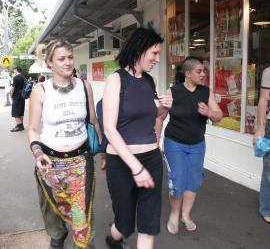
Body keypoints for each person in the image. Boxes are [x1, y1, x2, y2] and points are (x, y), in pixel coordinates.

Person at [28, 39, 102, 249]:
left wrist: (104, 152)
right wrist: (37, 153)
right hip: (49, 163)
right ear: (50, 62)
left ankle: (83, 244)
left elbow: (93, 121)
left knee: (83, 212)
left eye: (70, 57)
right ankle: (57, 238)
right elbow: (33, 128)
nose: (68, 62)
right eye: (62, 58)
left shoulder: (84, 86)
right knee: (51, 209)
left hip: (81, 163)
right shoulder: (40, 90)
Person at [103, 27, 172, 249]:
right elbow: (109, 129)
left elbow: (153, 119)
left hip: (151, 159)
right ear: (139, 49)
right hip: (122, 162)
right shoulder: (116, 80)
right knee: (124, 224)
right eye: (154, 53)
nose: (157, 59)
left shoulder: (149, 82)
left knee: (149, 222)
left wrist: (165, 108)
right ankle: (113, 239)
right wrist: (136, 167)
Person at [156, 56, 223, 234]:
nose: (203, 74)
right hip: (174, 143)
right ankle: (174, 214)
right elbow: (160, 116)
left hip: (197, 145)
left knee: (193, 180)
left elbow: (218, 115)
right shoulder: (173, 92)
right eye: (199, 71)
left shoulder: (205, 92)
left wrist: (208, 112)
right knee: (178, 180)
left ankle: (185, 215)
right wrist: (156, 140)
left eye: (204, 71)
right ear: (187, 73)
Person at [254, 65, 270, 224]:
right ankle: (267, 208)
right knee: (269, 169)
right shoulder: (269, 72)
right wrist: (260, 127)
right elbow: (264, 99)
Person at [10, 66, 26, 132]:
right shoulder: (23, 77)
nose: (14, 71)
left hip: (16, 96)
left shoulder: (15, 77)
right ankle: (21, 125)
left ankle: (19, 126)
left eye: (14, 70)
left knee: (15, 112)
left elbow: (13, 87)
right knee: (21, 111)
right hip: (22, 96)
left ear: (16, 70)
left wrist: (11, 94)